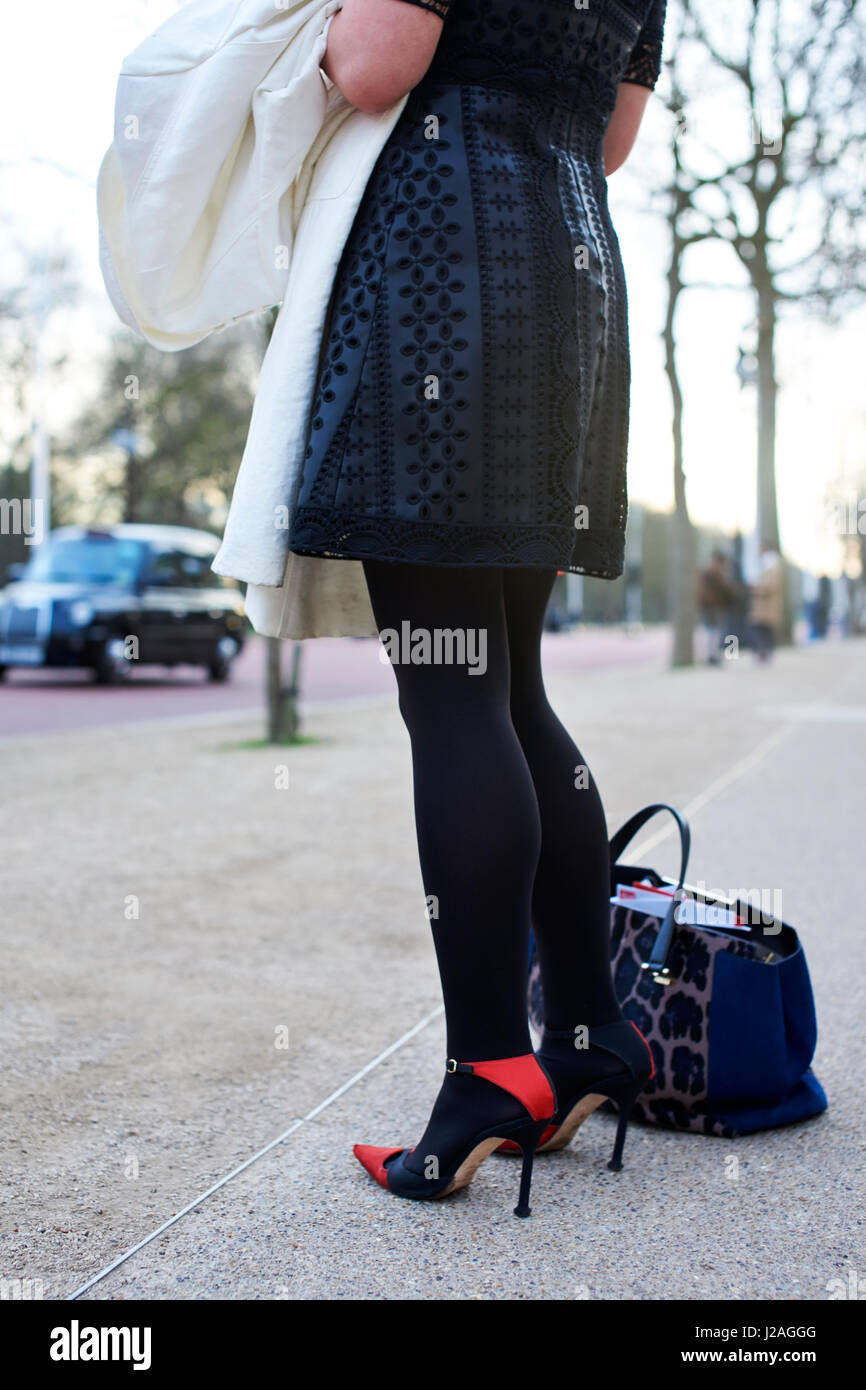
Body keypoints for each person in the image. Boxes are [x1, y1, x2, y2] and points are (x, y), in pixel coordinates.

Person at [289, 0, 663, 1216]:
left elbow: (371, 63)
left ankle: (489, 1067)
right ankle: (593, 1032)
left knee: (452, 693)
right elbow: (611, 138)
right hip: (569, 281)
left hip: (444, 271)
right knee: (513, 685)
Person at [697, 549, 735, 664]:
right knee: (713, 630)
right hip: (711, 605)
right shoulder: (713, 573)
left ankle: (712, 655)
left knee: (713, 630)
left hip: (712, 605)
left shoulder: (710, 573)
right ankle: (711, 656)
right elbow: (723, 589)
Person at [749, 543, 784, 662]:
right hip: (763, 605)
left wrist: (757, 588)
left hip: (767, 605)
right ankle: (763, 652)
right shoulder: (766, 566)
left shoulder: (772, 566)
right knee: (763, 629)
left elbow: (771, 586)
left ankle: (764, 652)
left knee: (764, 629)